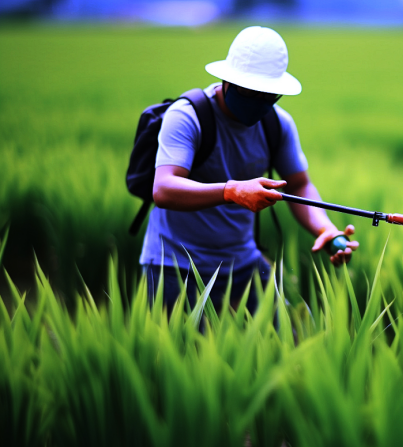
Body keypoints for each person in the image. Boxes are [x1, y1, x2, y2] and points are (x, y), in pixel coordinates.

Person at [140, 26, 359, 313]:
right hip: (175, 265)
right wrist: (232, 191)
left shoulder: (278, 124)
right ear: (226, 80)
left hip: (242, 260)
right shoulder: (187, 116)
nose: (258, 101)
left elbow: (299, 185)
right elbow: (165, 189)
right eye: (249, 91)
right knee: (183, 353)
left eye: (267, 95)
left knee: (281, 343)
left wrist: (325, 227)